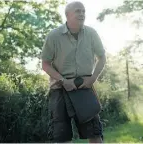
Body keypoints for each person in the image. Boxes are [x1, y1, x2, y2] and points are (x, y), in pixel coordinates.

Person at [41, 1, 106, 143]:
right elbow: (45, 64)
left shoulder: (91, 33)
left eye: (83, 11)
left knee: (95, 134)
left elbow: (102, 58)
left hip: (84, 87)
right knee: (61, 136)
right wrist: (63, 80)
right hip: (59, 89)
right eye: (78, 11)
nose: (82, 14)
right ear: (67, 14)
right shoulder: (54, 36)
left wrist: (93, 78)